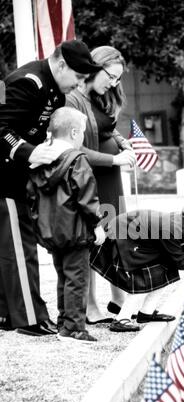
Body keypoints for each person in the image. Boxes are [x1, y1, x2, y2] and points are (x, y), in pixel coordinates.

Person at [0, 39, 104, 336]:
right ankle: (30, 318)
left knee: (12, 249)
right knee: (20, 251)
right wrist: (26, 151)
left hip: (20, 178)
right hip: (5, 177)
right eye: (79, 76)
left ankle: (7, 314)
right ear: (60, 65)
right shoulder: (26, 81)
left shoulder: (56, 91)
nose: (80, 83)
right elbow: (1, 127)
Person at [66, 46, 136, 324]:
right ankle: (90, 306)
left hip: (110, 177)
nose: (114, 83)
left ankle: (118, 299)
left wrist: (121, 141)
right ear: (96, 67)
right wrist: (115, 159)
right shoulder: (73, 99)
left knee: (116, 235)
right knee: (93, 240)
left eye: (119, 79)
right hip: (90, 177)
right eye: (111, 76)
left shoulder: (102, 95)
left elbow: (107, 126)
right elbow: (76, 147)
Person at [27, 107, 105, 343]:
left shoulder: (39, 159)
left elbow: (31, 195)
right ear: (73, 132)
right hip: (76, 230)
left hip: (52, 230)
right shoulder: (76, 159)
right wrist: (97, 225)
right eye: (81, 132)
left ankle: (64, 322)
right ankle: (74, 329)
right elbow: (87, 197)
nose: (82, 137)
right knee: (78, 278)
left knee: (64, 276)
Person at [90, 198, 184, 332]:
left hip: (138, 241)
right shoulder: (174, 228)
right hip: (120, 237)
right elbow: (182, 262)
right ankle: (121, 319)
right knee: (145, 278)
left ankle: (146, 312)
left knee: (166, 268)